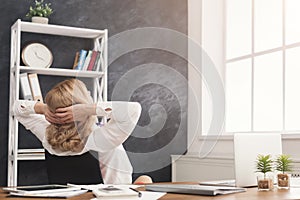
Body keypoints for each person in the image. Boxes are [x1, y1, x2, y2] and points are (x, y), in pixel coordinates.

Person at [13, 78, 145, 184]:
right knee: (145, 179)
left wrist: (42, 108)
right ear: (82, 104)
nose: (90, 95)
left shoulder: (47, 135)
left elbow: (17, 108)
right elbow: (132, 110)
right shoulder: (101, 139)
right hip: (113, 196)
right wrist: (88, 110)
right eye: (87, 93)